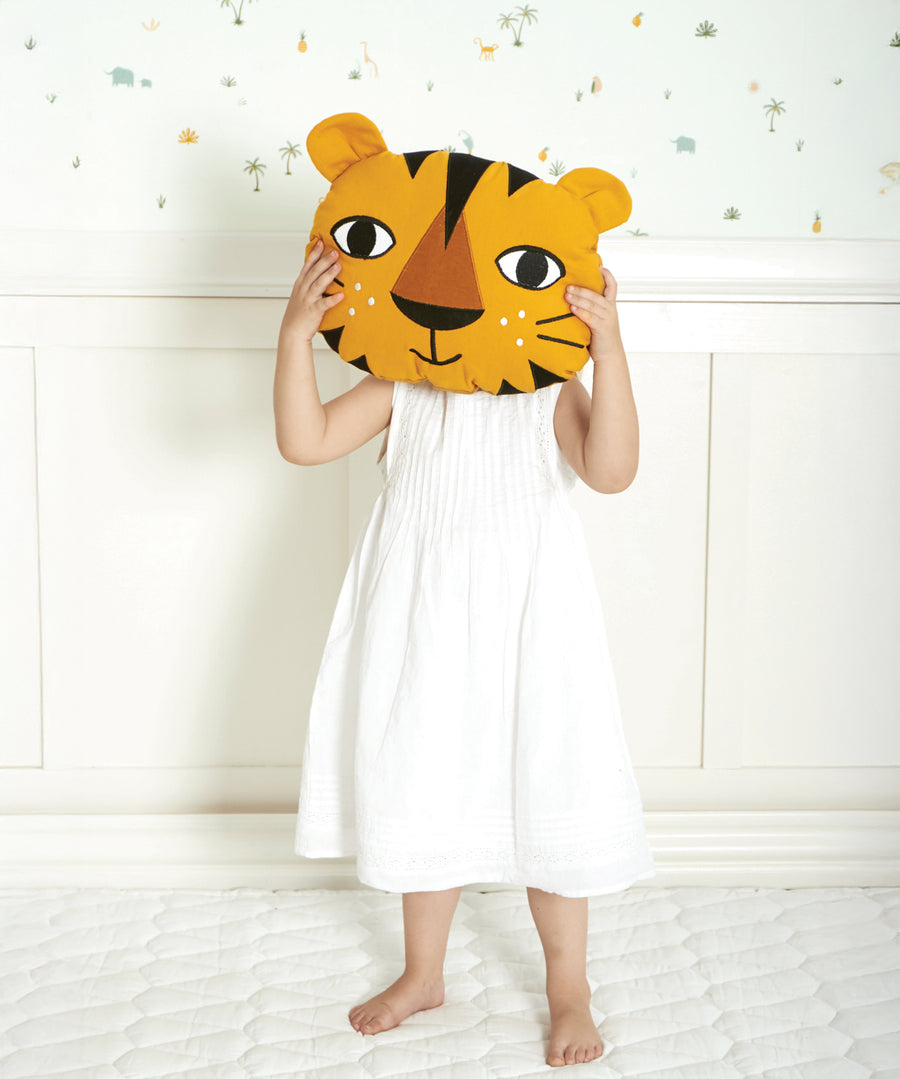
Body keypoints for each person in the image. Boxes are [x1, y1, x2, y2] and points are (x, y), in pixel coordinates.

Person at [273, 239, 656, 1068]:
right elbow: (305, 442)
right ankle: (423, 972)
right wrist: (295, 336)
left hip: (533, 618)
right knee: (423, 774)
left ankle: (568, 987)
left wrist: (608, 347)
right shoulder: (404, 381)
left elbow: (612, 469)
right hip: (424, 620)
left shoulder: (542, 387)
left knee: (546, 777)